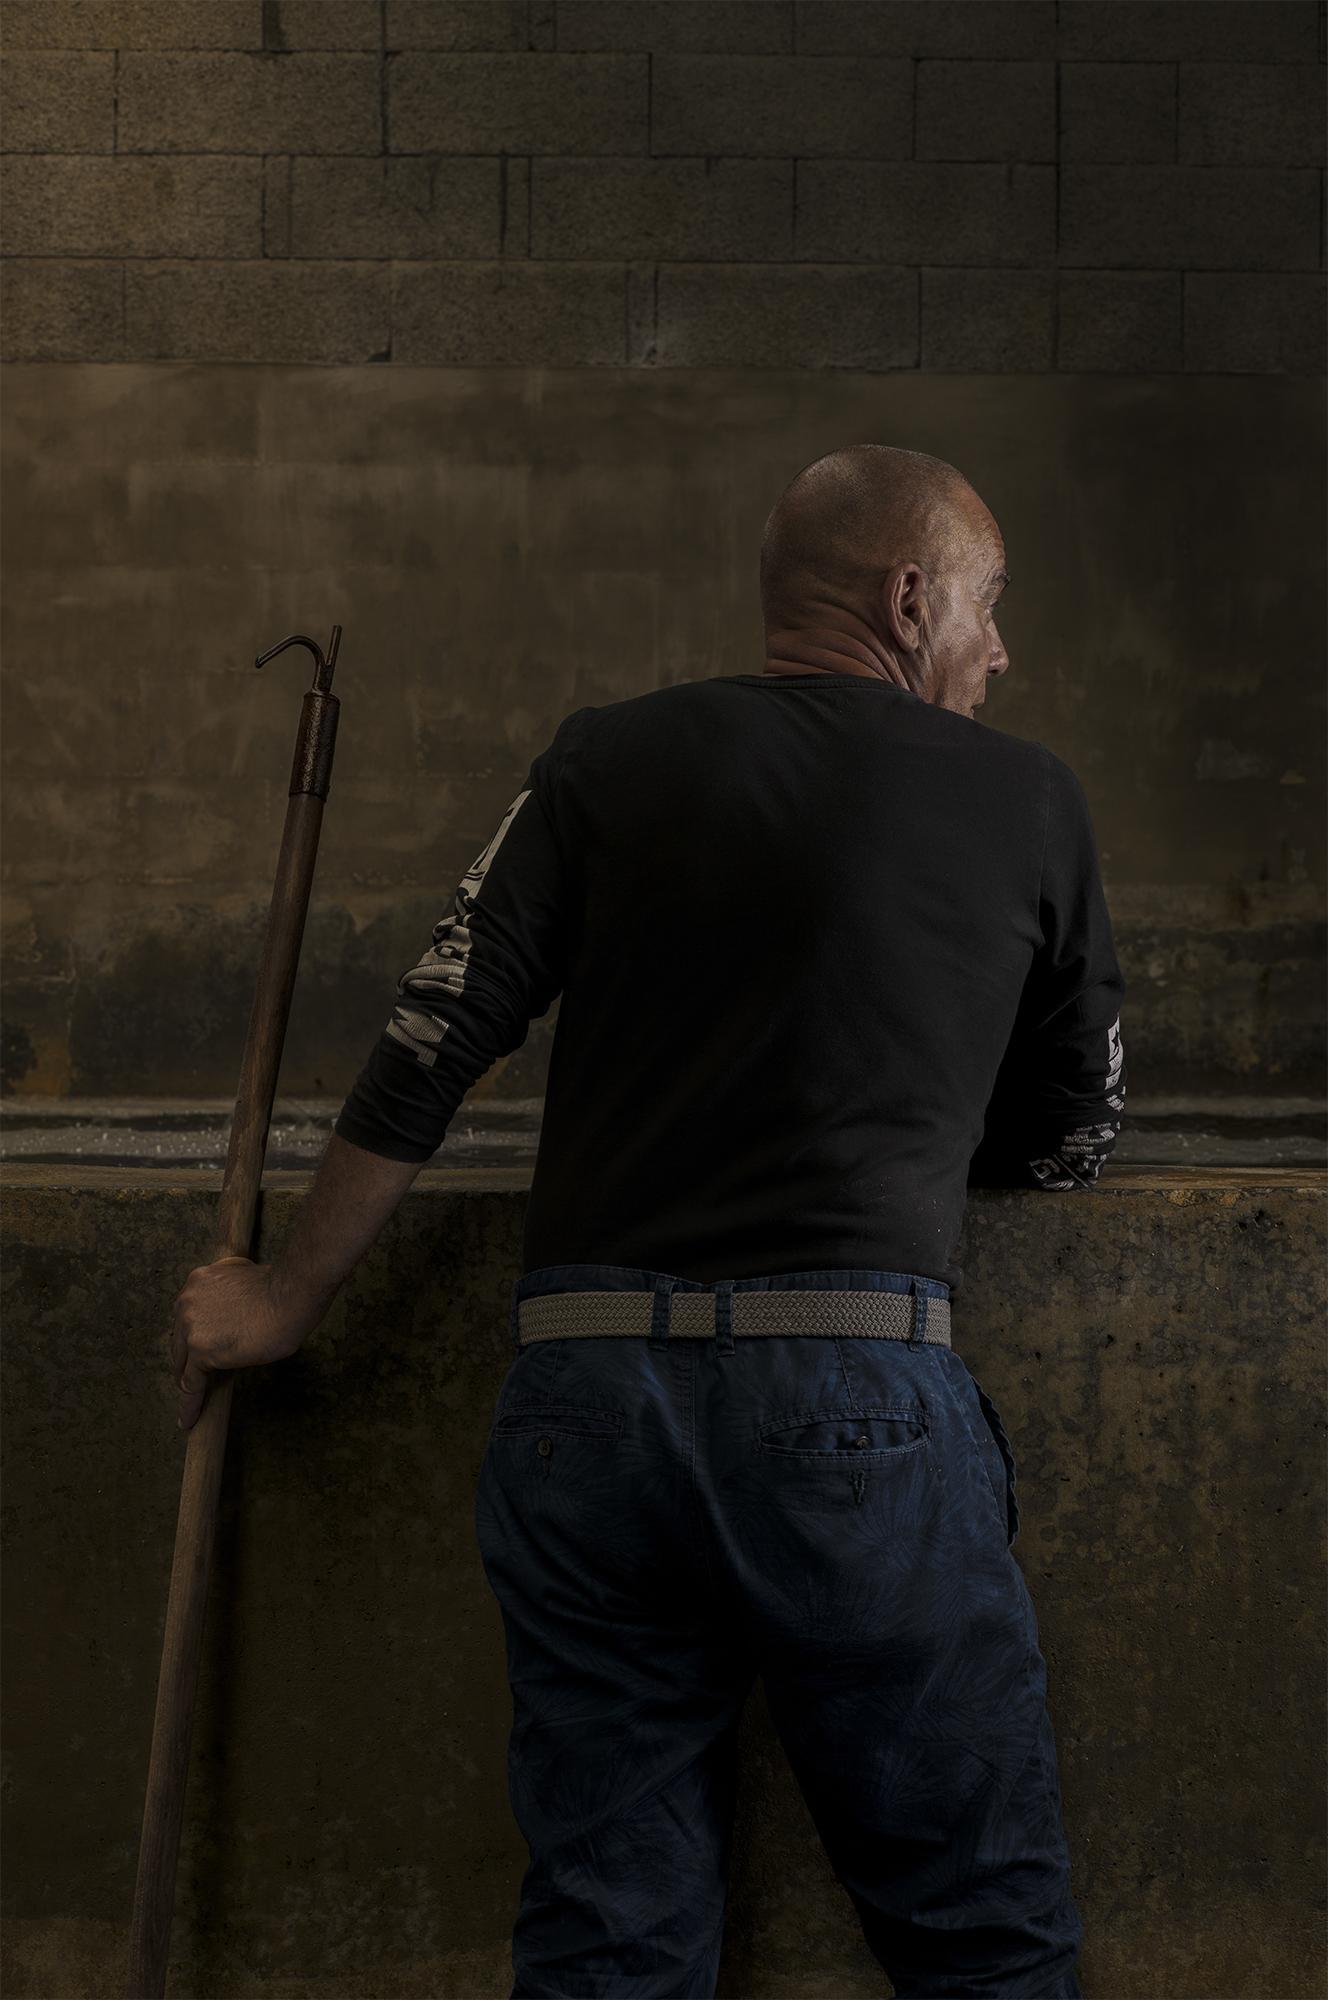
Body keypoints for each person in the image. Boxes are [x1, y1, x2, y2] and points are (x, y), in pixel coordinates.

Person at [170, 445, 1126, 1999]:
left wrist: (285, 1299)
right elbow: (1074, 1133)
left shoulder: (604, 761)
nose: (1001, 649)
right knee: (982, 1932)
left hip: (589, 1402)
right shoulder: (1026, 800)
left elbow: (432, 1033)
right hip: (858, 1408)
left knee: (610, 1939)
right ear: (910, 596)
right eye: (990, 604)